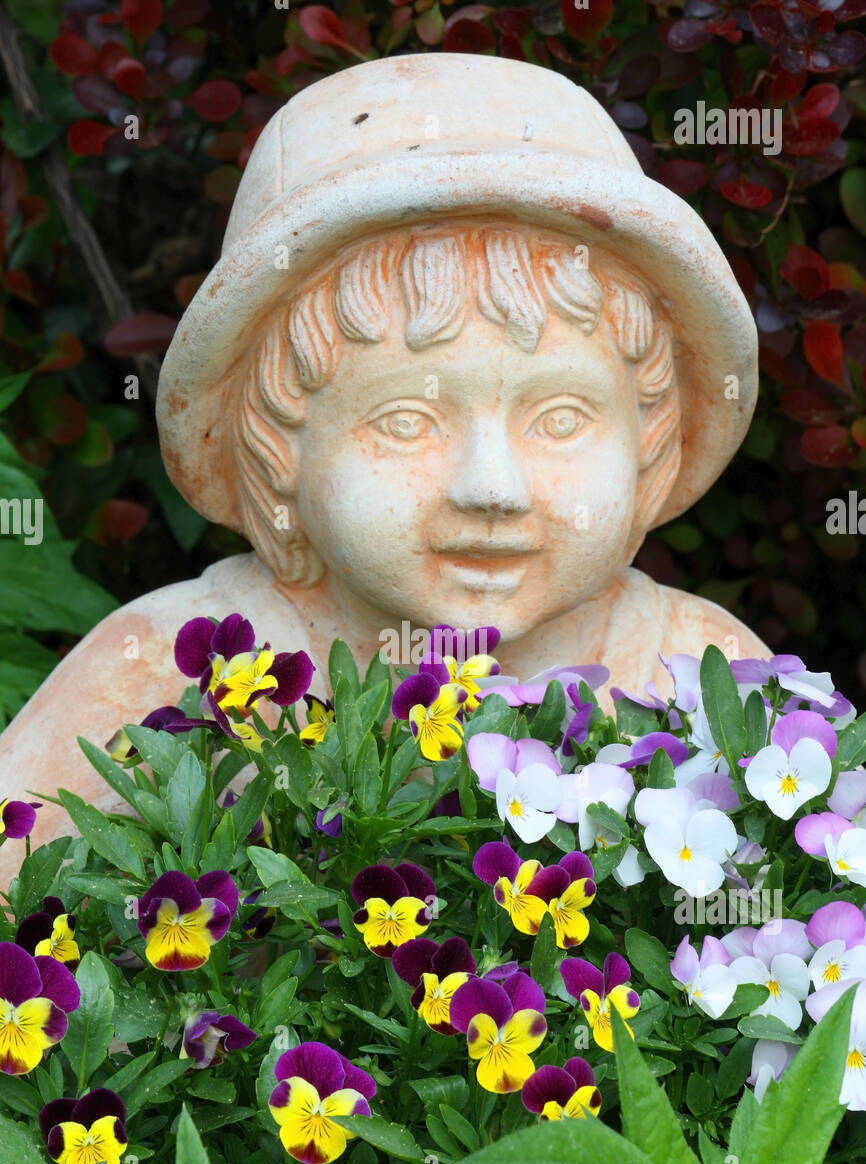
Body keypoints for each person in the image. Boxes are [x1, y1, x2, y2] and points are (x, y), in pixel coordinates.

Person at [0, 54, 769, 876]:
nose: (492, 489)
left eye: (560, 418)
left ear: (650, 443)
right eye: (405, 421)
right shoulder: (166, 666)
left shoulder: (696, 669)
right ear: (275, 452)